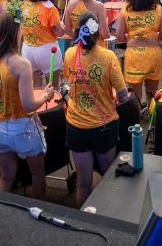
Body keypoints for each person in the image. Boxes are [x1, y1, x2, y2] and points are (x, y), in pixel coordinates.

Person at [0, 11, 55, 200]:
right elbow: (29, 105)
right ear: (17, 32)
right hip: (23, 128)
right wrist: (45, 96)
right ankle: (39, 212)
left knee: (6, 176)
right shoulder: (21, 64)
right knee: (37, 174)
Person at [63, 11, 129, 206]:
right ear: (98, 31)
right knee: (108, 180)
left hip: (77, 127)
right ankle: (109, 217)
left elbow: (69, 82)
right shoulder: (108, 57)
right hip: (103, 127)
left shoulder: (69, 54)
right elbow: (123, 95)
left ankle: (83, 219)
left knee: (83, 184)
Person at [115, 0, 162, 104]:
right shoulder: (157, 8)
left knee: (135, 98)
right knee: (152, 95)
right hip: (153, 55)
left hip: (134, 56)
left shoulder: (126, 8)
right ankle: (152, 117)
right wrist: (151, 36)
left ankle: (137, 117)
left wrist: (132, 38)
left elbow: (119, 36)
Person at [21, 0, 65, 89]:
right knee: (53, 88)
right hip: (47, 50)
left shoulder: (23, 5)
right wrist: (62, 25)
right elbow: (60, 32)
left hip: (27, 50)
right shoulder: (49, 8)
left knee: (35, 89)